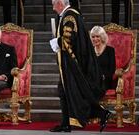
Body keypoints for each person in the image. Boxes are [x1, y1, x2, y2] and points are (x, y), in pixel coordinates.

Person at [49, 0, 111, 132]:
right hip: (70, 62)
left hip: (73, 63)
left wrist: (56, 42)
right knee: (64, 91)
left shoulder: (69, 16)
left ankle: (101, 113)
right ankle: (66, 123)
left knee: (78, 93)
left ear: (60, 3)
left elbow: (68, 39)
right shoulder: (69, 14)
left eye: (54, 4)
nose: (53, 7)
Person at [90, 26, 116, 99]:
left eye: (97, 36)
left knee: (94, 89)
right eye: (93, 37)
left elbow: (112, 68)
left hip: (105, 80)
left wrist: (102, 76)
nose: (95, 39)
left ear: (102, 37)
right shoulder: (90, 51)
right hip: (92, 79)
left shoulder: (110, 50)